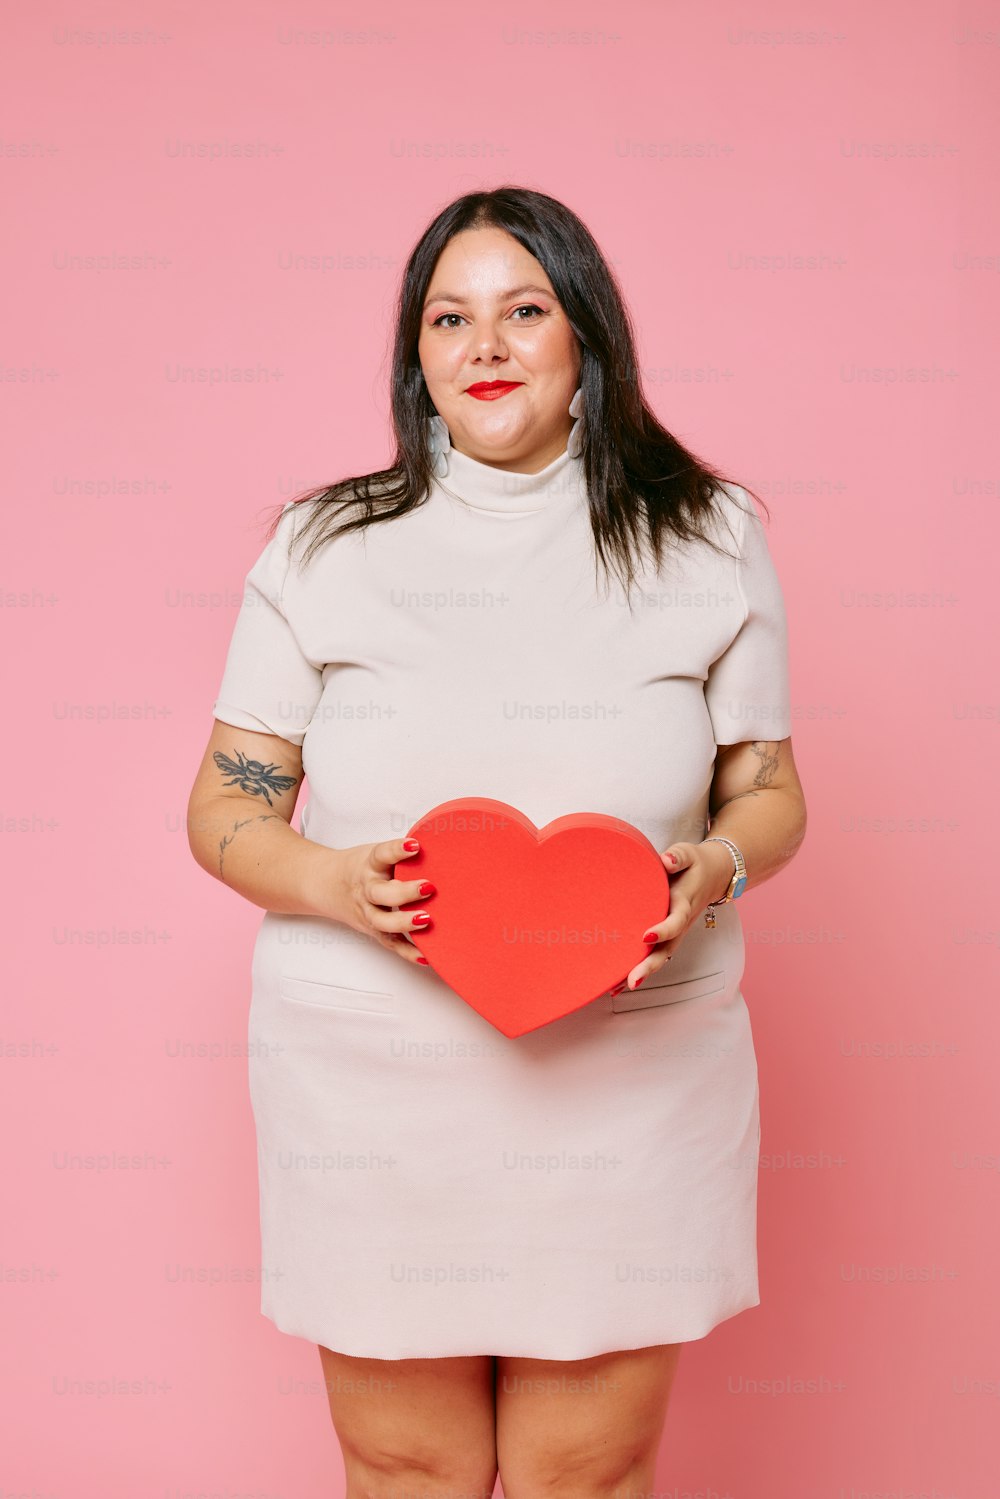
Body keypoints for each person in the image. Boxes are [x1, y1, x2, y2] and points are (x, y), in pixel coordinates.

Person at [187, 185, 807, 1499]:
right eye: (447, 317)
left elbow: (768, 789)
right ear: (416, 356)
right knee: (404, 1463)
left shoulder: (708, 530)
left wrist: (718, 868)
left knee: (585, 1472)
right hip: (367, 1081)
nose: (485, 344)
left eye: (524, 311)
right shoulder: (326, 543)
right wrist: (334, 886)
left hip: (635, 1074)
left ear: (586, 333)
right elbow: (225, 809)